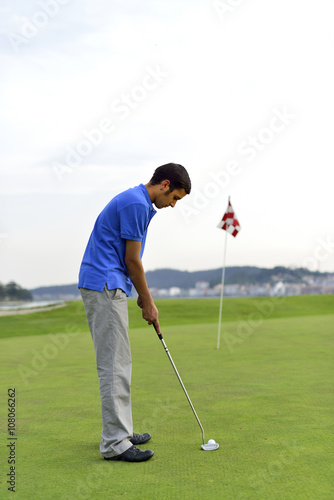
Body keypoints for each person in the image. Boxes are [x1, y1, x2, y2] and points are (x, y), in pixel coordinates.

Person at [78, 163, 191, 462]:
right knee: (113, 365)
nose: (173, 204)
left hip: (110, 283)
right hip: (104, 284)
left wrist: (138, 293)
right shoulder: (136, 203)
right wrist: (148, 299)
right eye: (175, 197)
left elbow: (128, 260)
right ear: (165, 185)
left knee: (120, 362)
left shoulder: (138, 202)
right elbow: (133, 260)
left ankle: (121, 432)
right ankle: (115, 443)